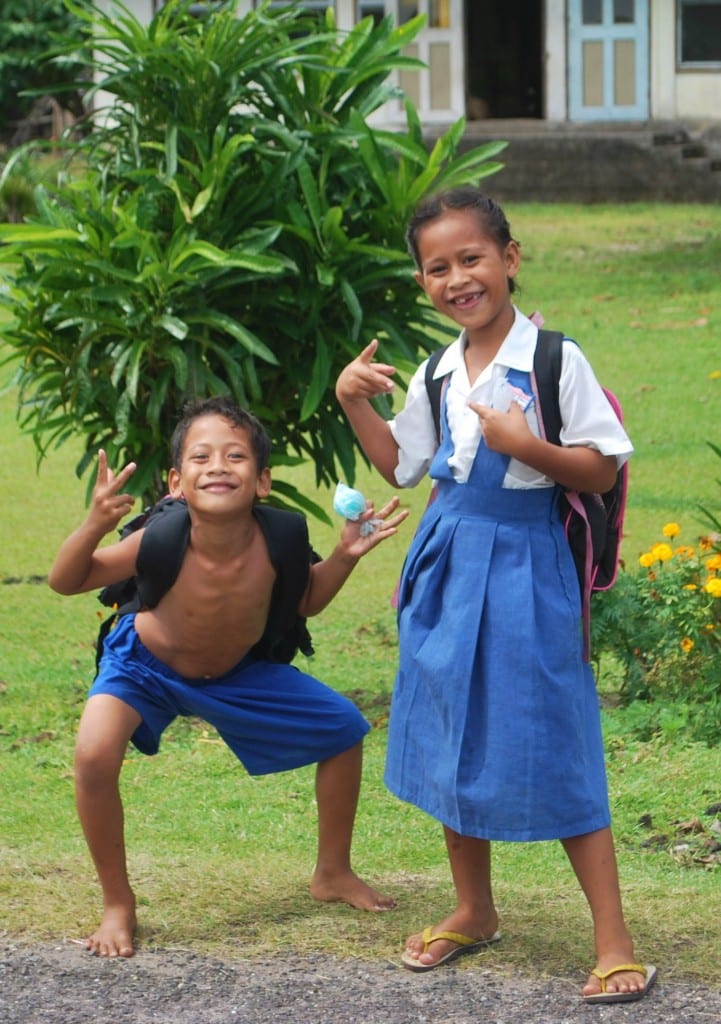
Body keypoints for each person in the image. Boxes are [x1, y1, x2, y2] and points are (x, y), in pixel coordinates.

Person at [335, 188, 656, 1004]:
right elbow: (400, 466)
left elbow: (602, 466)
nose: (456, 278)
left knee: (557, 734)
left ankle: (613, 940)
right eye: (436, 268)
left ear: (508, 260)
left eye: (471, 258)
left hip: (525, 566)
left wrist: (529, 447)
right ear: (421, 282)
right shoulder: (438, 369)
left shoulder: (554, 360)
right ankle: (473, 909)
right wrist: (352, 403)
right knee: (449, 728)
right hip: (446, 561)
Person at [49, 396, 408, 959]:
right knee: (93, 753)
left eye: (236, 456)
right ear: (176, 482)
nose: (218, 466)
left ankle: (332, 872)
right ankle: (118, 903)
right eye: (201, 457)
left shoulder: (281, 538)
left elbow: (307, 602)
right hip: (143, 665)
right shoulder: (159, 537)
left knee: (343, 728)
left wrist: (344, 555)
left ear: (262, 480)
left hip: (238, 673)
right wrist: (96, 523)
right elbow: (66, 580)